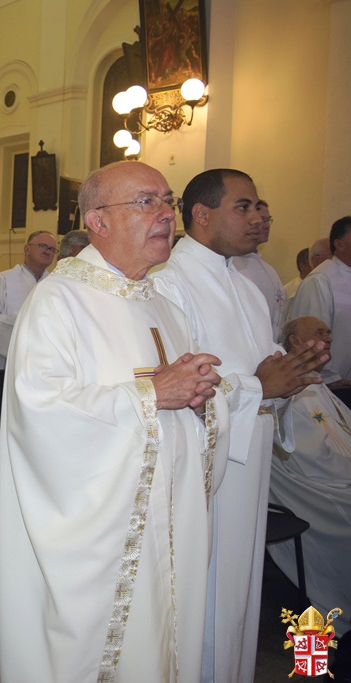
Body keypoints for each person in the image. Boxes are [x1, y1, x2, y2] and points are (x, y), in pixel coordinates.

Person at [0, 161, 228, 682]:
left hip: (168, 524)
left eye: (167, 201)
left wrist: (201, 401)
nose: (165, 215)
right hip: (97, 537)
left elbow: (184, 403)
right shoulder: (58, 300)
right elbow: (41, 410)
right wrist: (153, 395)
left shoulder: (164, 304)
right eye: (146, 202)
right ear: (98, 221)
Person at [149, 168, 327, 683]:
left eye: (258, 205)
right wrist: (259, 388)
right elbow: (174, 384)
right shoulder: (168, 281)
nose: (258, 216)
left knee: (236, 596)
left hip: (248, 461)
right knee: (201, 592)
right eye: (243, 206)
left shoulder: (247, 287)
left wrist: (291, 375)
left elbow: (263, 371)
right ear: (201, 215)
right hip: (203, 467)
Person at [269, 316, 351, 637]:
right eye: (319, 332)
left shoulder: (316, 383)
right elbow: (309, 457)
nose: (328, 337)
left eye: (329, 332)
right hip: (317, 486)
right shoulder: (291, 387)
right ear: (295, 342)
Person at [0, 230, 56, 370]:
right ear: (27, 249)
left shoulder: (55, 285)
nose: (47, 251)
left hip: (43, 365)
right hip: (4, 363)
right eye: (43, 246)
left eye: (52, 249)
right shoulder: (3, 280)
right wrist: (30, 334)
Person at [286, 216, 351, 386]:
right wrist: (330, 378)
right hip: (331, 385)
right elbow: (311, 334)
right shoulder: (321, 279)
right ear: (339, 244)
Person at [232, 200, 286, 340]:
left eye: (268, 220)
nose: (266, 225)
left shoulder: (269, 270)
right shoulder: (231, 265)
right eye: (262, 219)